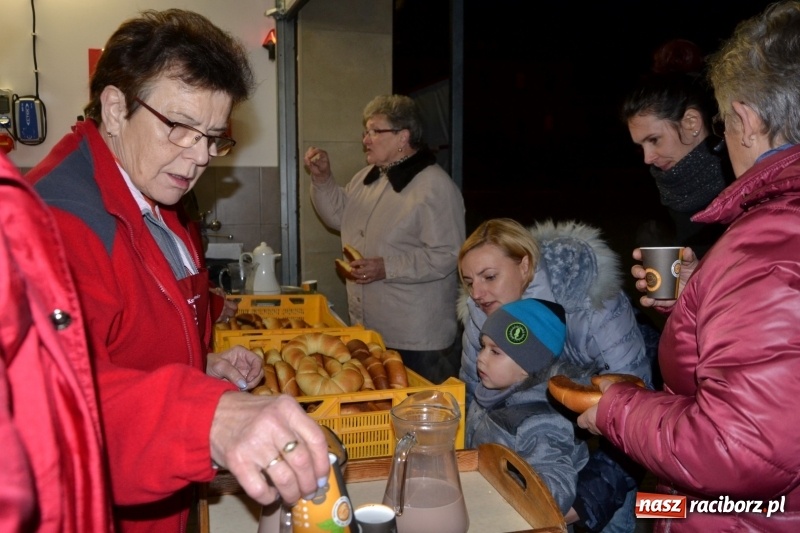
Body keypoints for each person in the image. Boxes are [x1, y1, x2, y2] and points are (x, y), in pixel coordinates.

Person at [25, 10, 330, 533]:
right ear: (116, 108)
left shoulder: (154, 194)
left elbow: (134, 330)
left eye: (213, 137)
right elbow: (49, 414)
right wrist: (208, 418)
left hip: (165, 487)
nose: (197, 158)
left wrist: (198, 364)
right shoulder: (54, 225)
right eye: (181, 129)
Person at [579, 2, 800, 531]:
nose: (649, 158)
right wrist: (696, 300)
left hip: (737, 507)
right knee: (651, 506)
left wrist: (614, 410)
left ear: (742, 121)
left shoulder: (763, 241)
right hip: (719, 491)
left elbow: (736, 450)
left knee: (650, 506)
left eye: (655, 140)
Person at [458, 217, 652, 532]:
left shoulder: (593, 307)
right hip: (522, 467)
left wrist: (585, 501)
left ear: (524, 265)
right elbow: (471, 394)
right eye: (469, 281)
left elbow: (637, 417)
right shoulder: (483, 309)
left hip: (601, 457)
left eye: (489, 276)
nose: (477, 293)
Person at [304, 94, 466, 384]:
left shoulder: (435, 187)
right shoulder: (369, 177)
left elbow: (447, 254)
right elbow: (339, 215)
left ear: (403, 136)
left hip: (418, 339)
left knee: (418, 416)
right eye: (365, 131)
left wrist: (386, 267)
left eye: (375, 131)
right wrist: (323, 179)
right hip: (371, 331)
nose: (366, 139)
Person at [466, 298, 594, 521]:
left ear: (528, 366)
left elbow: (556, 489)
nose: (480, 358)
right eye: (482, 347)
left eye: (495, 352)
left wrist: (508, 494)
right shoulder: (491, 392)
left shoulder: (540, 421)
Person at [622, 38, 733, 258]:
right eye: (641, 146)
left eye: (654, 140)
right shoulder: (665, 201)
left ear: (691, 123)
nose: (647, 158)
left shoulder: (741, 188)